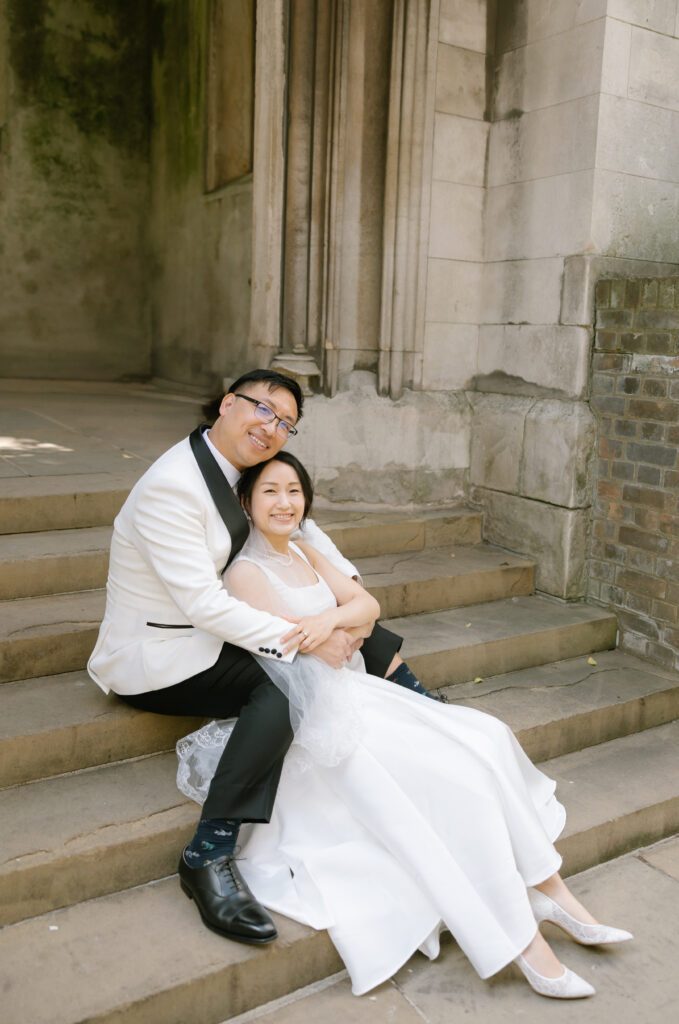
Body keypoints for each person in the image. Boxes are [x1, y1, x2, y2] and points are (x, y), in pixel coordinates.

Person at [176, 451, 634, 1000]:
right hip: (318, 716)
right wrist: (337, 625)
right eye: (270, 491)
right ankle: (522, 944)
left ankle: (553, 893)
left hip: (358, 690)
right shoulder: (246, 572)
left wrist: (330, 620)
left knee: (484, 736)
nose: (285, 502)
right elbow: (304, 648)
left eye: (294, 491)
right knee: (454, 778)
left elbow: (365, 606)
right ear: (246, 503)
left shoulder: (305, 551)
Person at [88, 369, 418, 947]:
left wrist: (344, 600)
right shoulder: (173, 485)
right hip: (161, 653)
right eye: (262, 409)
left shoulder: (246, 472)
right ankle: (207, 851)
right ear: (226, 404)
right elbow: (205, 604)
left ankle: (422, 708)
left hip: (218, 626)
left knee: (340, 618)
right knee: (285, 678)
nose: (271, 427)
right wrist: (312, 635)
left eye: (285, 422)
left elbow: (308, 535)